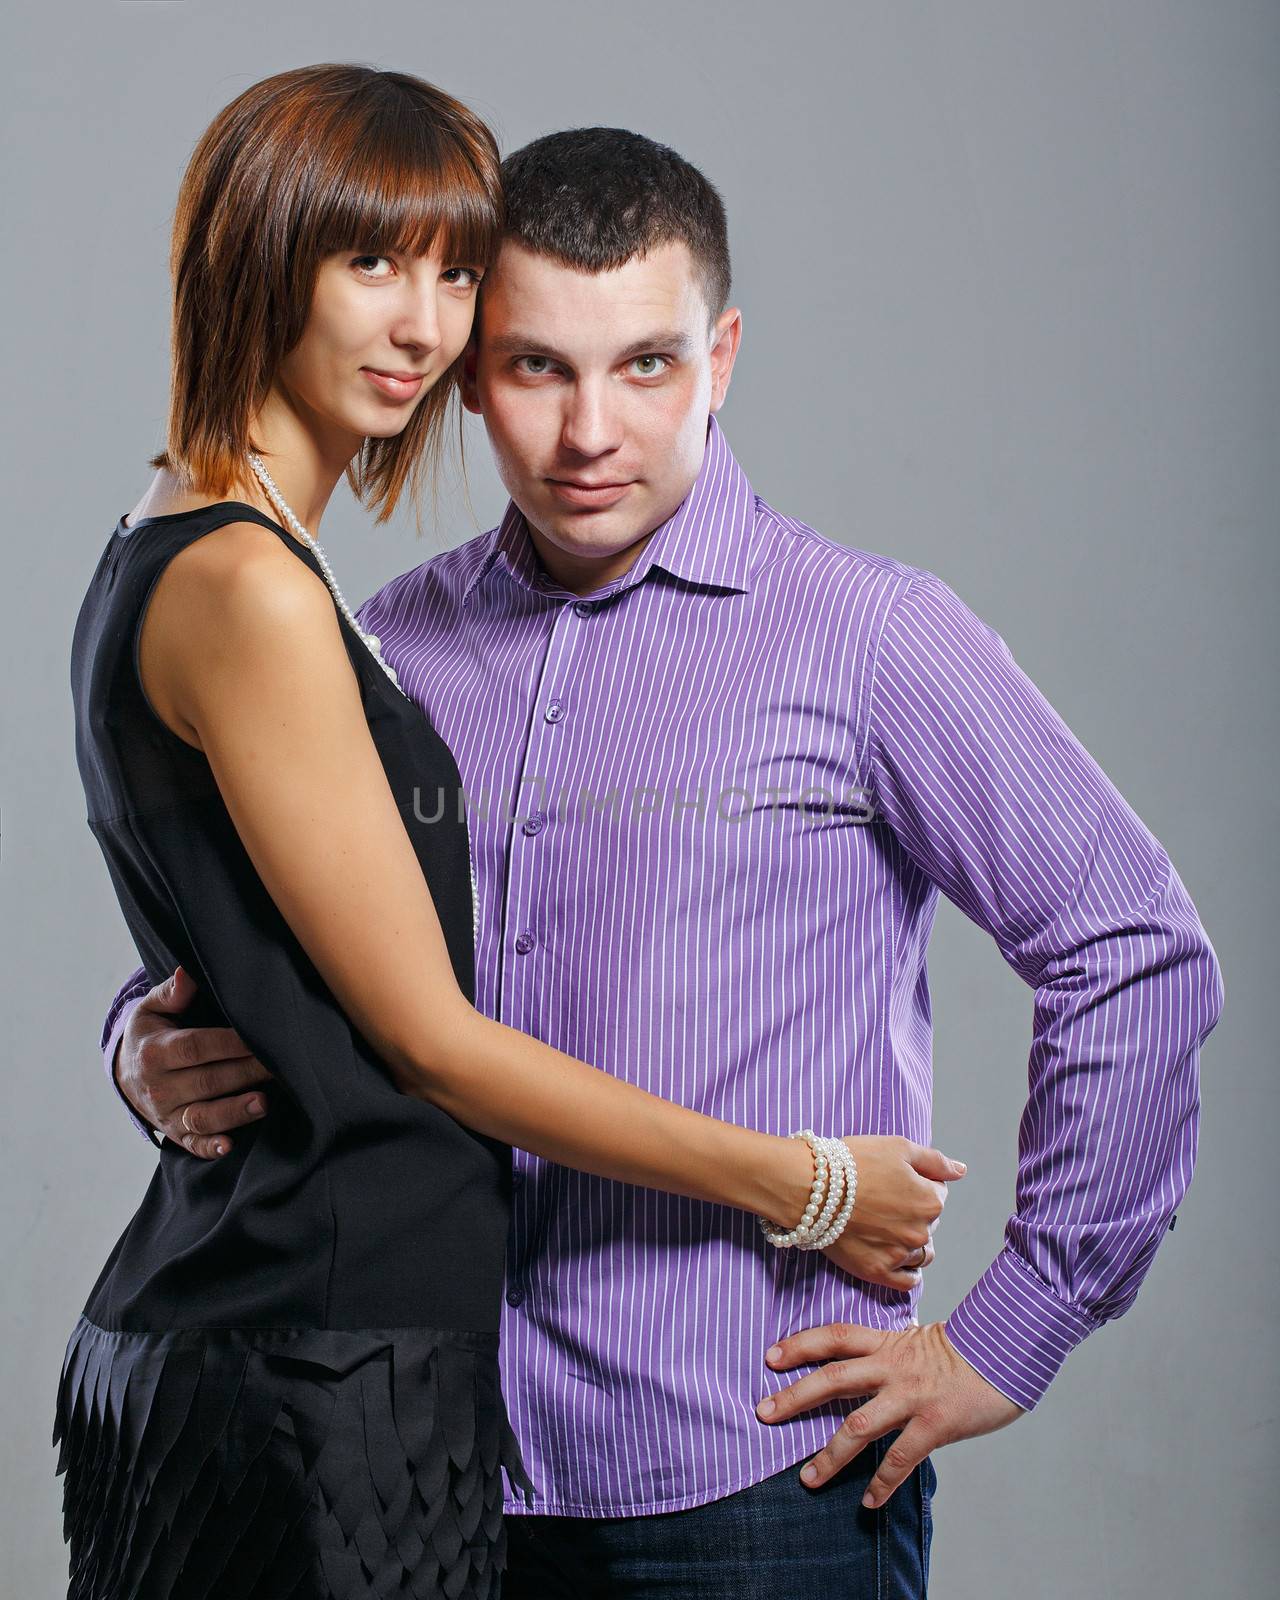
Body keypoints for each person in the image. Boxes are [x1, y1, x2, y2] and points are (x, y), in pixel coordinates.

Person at [98, 125, 1225, 1599]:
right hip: (437, 1470)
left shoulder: (868, 637)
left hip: (750, 1479)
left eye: (645, 364)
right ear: (464, 370)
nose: (588, 435)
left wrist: (1011, 1333)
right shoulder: (388, 642)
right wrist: (144, 1040)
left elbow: (1131, 945)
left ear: (724, 355)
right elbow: (297, 949)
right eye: (534, 367)